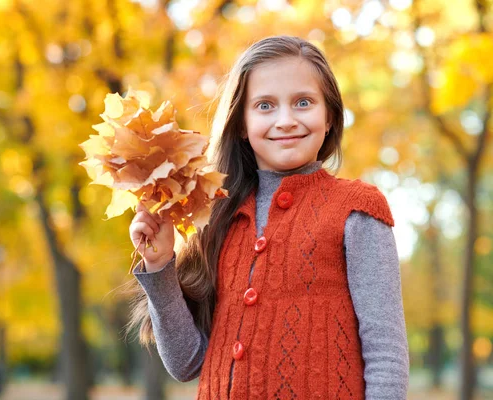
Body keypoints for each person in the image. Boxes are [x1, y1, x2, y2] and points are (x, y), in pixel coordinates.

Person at [127, 35, 409, 399]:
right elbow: (186, 363)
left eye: (303, 103)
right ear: (242, 124)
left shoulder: (356, 209)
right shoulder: (216, 217)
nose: (286, 120)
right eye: (265, 106)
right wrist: (161, 263)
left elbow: (386, 355)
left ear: (329, 118)